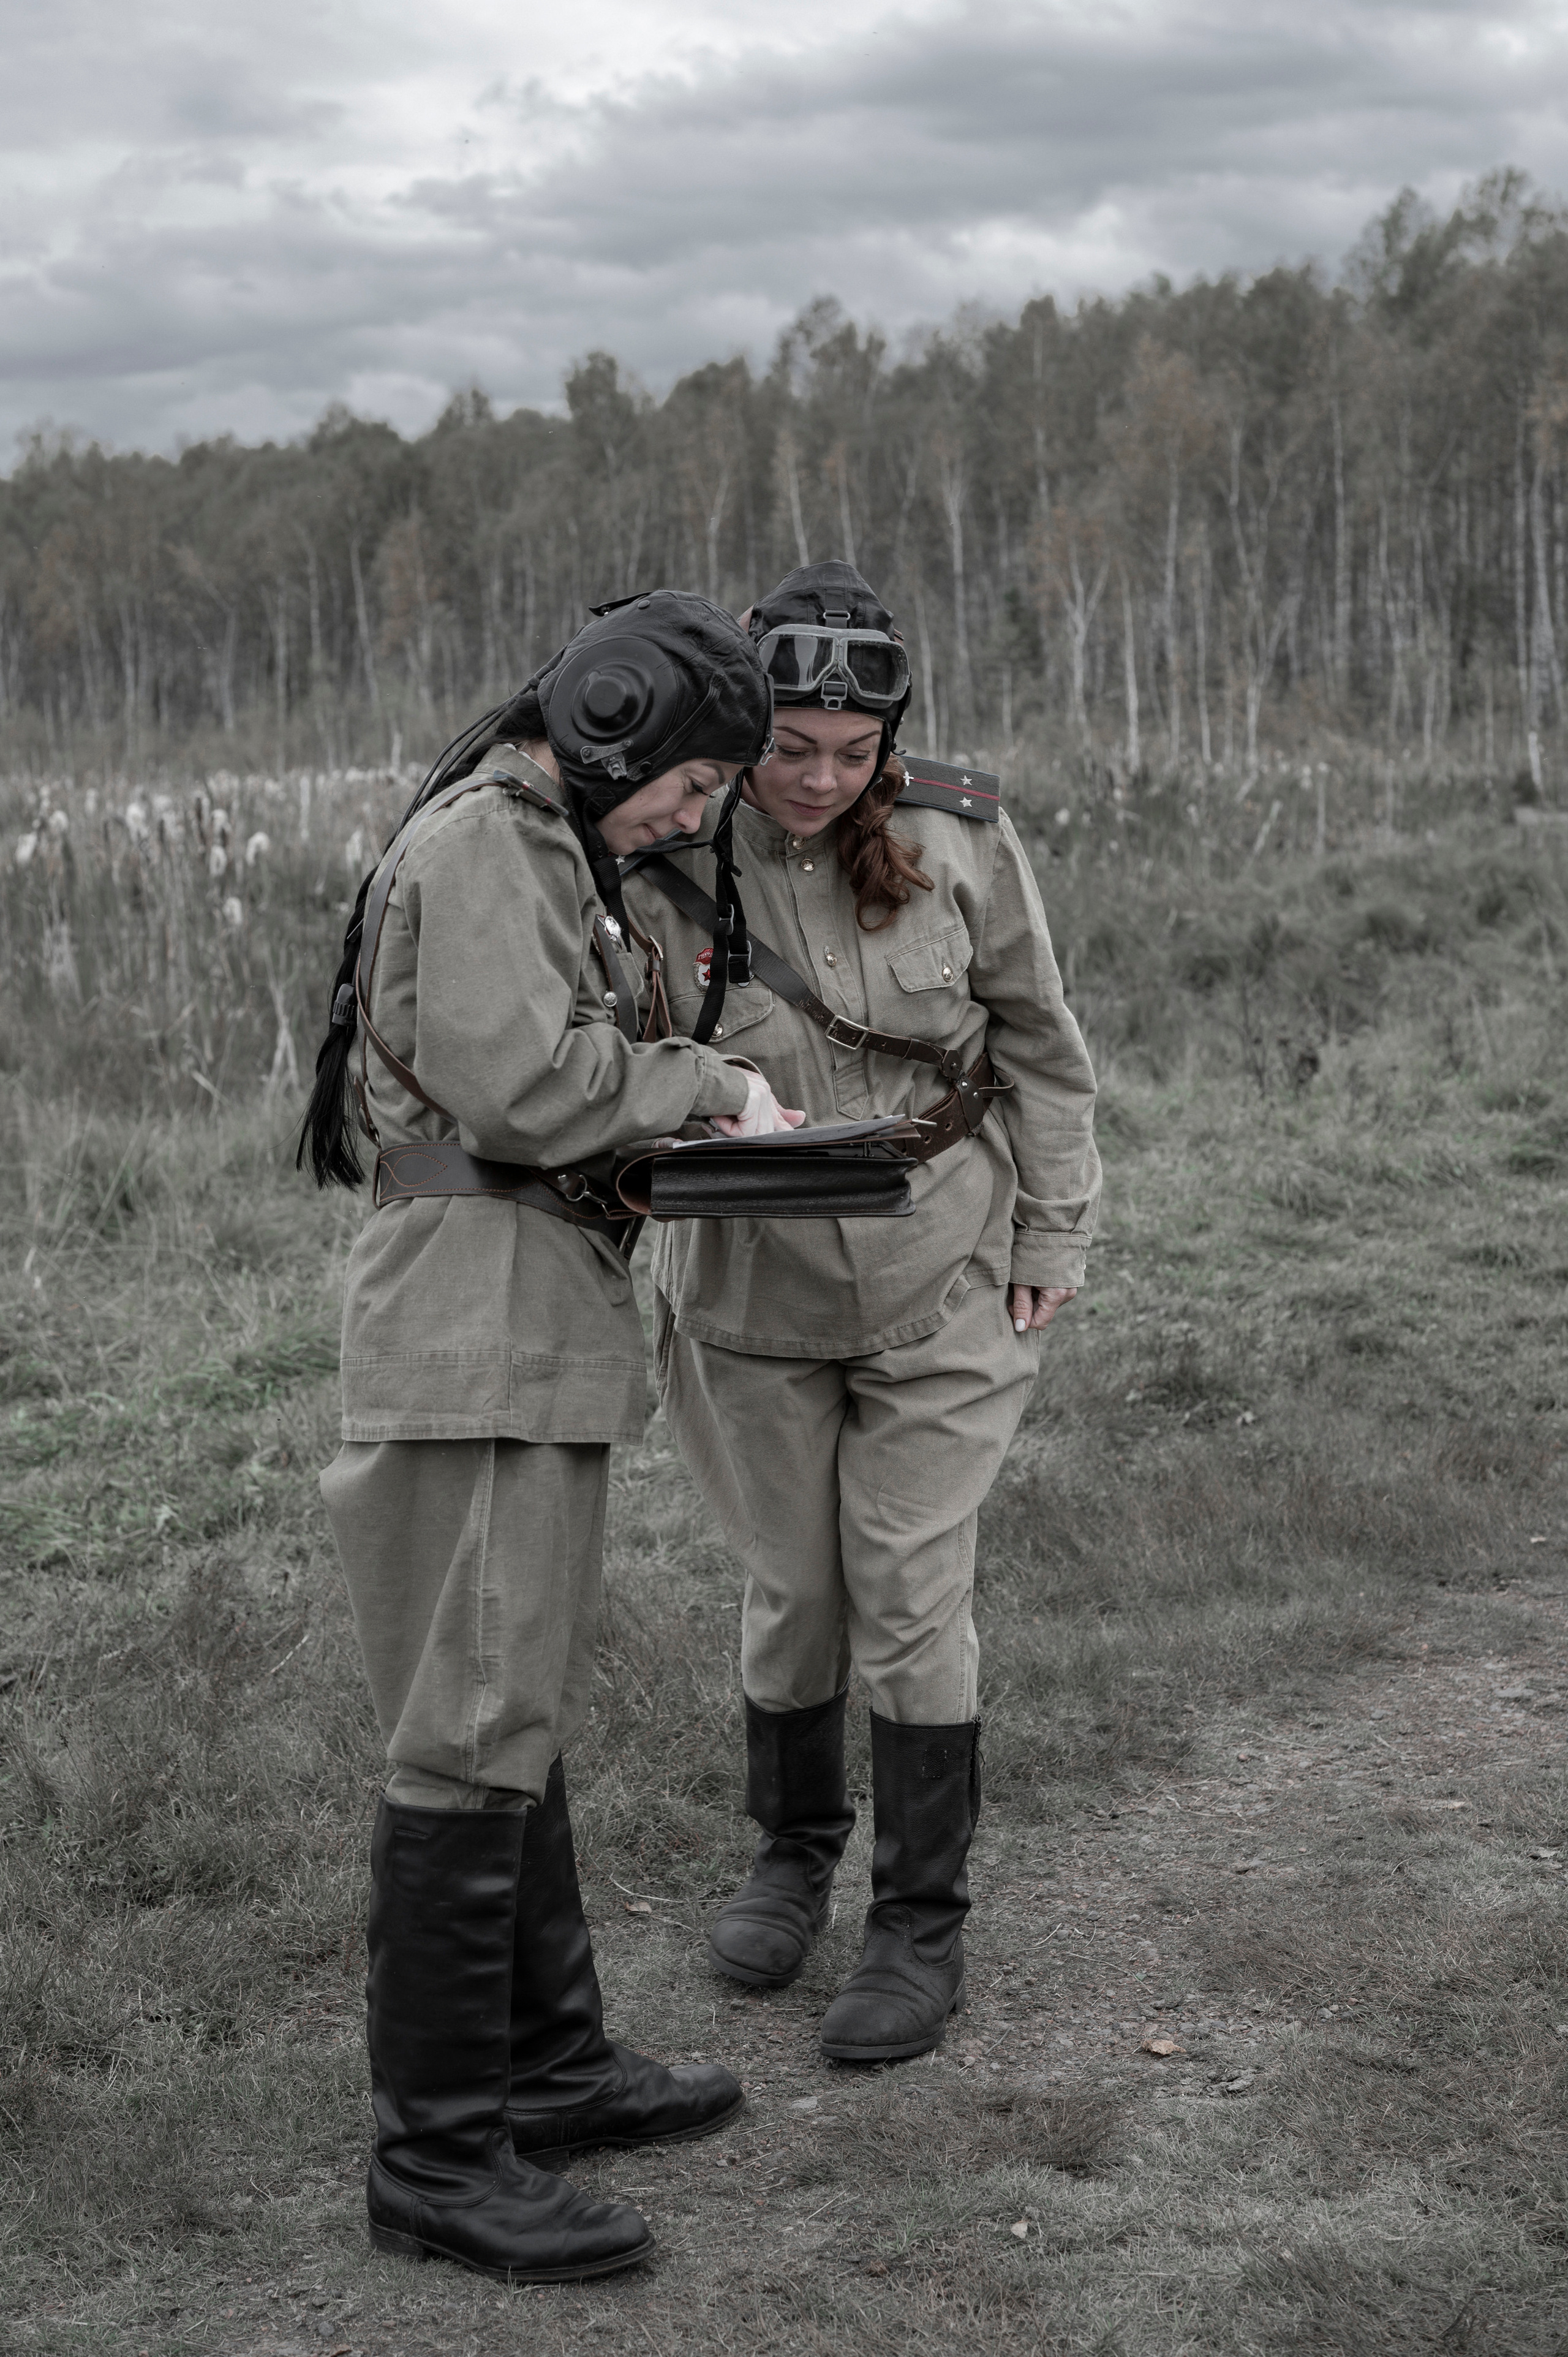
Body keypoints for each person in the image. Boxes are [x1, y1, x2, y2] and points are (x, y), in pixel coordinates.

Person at [298, 592, 799, 2283]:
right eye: (689, 785)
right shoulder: (490, 843)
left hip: (516, 1309)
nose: (689, 817)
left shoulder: (541, 847)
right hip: (474, 1318)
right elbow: (530, 1087)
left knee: (510, 1695)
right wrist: (711, 1091)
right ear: (613, 723)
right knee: (468, 1727)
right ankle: (436, 2159)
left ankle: (547, 2066)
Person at [620, 561, 1101, 2064]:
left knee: (905, 1586)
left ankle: (915, 1920)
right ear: (741, 722)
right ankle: (790, 1853)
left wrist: (1055, 1223)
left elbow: (1039, 1040)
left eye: (853, 751)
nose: (822, 780)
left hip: (941, 1275)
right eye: (790, 748)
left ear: (891, 738)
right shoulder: (663, 850)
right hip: (749, 1294)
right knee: (794, 1589)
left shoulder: (958, 834)